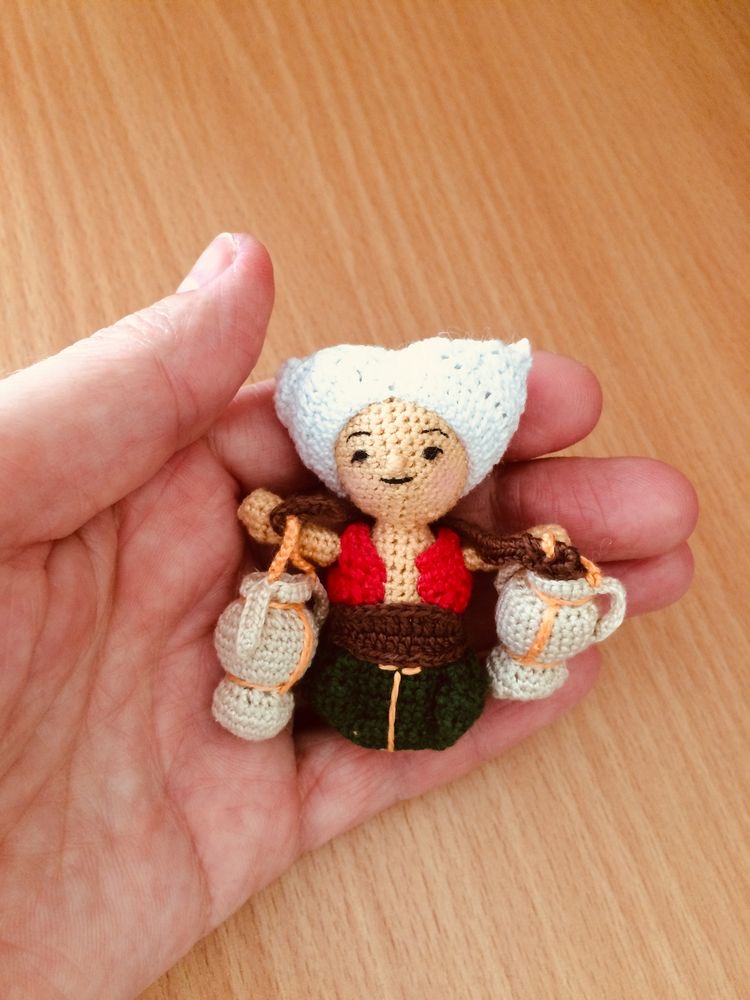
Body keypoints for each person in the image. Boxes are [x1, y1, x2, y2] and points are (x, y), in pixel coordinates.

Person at [0, 233, 697, 998]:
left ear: (466, 462)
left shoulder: (454, 543)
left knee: (536, 617)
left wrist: (538, 556)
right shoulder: (345, 539)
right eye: (362, 455)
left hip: (443, 680)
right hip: (348, 675)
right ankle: (260, 691)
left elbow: (489, 555)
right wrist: (275, 520)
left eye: (428, 456)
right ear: (337, 466)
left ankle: (518, 663)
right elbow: (298, 536)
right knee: (280, 617)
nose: (394, 467)